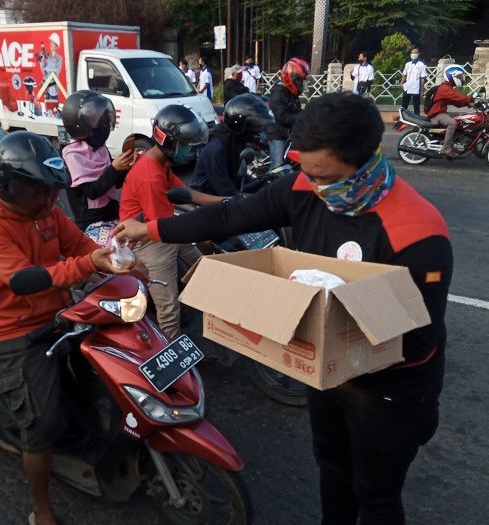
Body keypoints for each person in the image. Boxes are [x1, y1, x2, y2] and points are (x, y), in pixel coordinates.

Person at [114, 92, 452, 525]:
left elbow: (419, 340)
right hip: (326, 372)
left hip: (388, 392)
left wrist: (332, 329)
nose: (313, 185)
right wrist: (152, 228)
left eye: (324, 176)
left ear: (364, 160)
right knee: (331, 470)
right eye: (306, 171)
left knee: (376, 493)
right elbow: (229, 218)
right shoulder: (303, 187)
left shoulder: (417, 234)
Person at [0, 132, 131, 525]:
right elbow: (25, 279)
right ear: (8, 187)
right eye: (38, 193)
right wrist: (91, 266)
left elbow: (77, 246)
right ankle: (41, 510)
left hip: (58, 316)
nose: (49, 201)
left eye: (50, 192)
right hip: (14, 331)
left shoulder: (44, 210)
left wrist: (112, 258)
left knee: (104, 378)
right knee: (42, 424)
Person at [119, 105, 225, 338]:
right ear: (168, 141)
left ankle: (220, 332)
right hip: (150, 240)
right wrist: (203, 234)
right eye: (185, 145)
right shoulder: (149, 175)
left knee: (204, 272)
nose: (188, 150)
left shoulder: (160, 163)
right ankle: (171, 360)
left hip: (166, 230)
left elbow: (187, 194)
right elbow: (164, 227)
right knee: (169, 309)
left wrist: (225, 201)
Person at [60, 90, 135, 245]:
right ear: (79, 125)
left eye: (105, 121)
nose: (105, 125)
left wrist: (127, 166)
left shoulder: (99, 147)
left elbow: (115, 182)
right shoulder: (73, 155)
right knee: (119, 256)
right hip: (91, 221)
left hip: (112, 212)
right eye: (98, 122)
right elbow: (93, 191)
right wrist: (114, 169)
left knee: (144, 235)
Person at [190, 93, 275, 197]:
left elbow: (240, 180)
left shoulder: (234, 143)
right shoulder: (216, 149)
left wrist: (266, 184)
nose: (257, 132)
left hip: (222, 198)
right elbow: (225, 190)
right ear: (239, 124)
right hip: (205, 203)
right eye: (254, 127)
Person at [267, 58, 309, 170]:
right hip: (277, 133)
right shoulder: (279, 94)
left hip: (290, 134)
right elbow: (282, 117)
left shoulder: (291, 93)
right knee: (278, 167)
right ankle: (270, 185)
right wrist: (303, 116)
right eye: (299, 81)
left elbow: (297, 111)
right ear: (291, 78)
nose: (301, 84)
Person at [426, 64, 474, 157]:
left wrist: (469, 104)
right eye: (459, 76)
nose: (461, 78)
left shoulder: (448, 87)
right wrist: (469, 99)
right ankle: (446, 148)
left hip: (441, 113)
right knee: (452, 123)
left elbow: (456, 102)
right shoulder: (444, 88)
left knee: (462, 117)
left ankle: (454, 139)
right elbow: (457, 97)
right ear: (451, 75)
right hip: (436, 114)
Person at [400, 47, 428, 115]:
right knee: (404, 105)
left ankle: (417, 120)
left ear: (418, 54)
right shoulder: (407, 64)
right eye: (412, 53)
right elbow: (405, 75)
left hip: (416, 88)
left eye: (415, 53)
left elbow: (422, 79)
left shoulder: (421, 65)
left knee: (416, 106)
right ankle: (402, 118)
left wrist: (422, 90)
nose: (413, 54)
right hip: (407, 87)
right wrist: (401, 83)